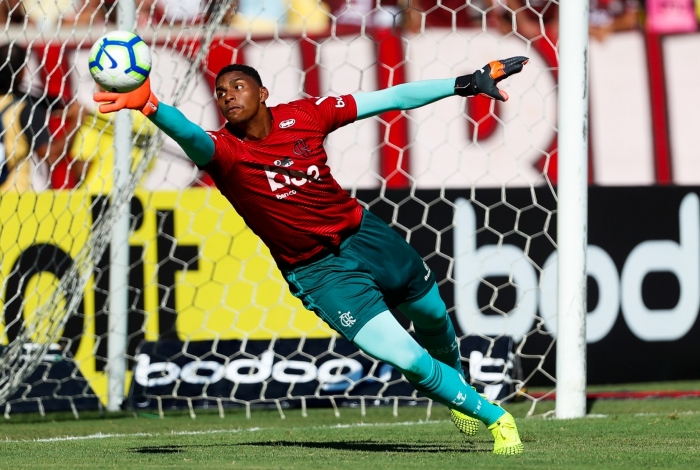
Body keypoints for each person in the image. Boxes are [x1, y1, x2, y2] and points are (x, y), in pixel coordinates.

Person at [93, 55, 529, 455]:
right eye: (221, 92)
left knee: (434, 318)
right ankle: (495, 417)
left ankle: (459, 392)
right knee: (408, 357)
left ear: (263, 94)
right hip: (320, 272)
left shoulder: (305, 115)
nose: (228, 97)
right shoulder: (224, 153)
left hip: (366, 235)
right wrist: (151, 106)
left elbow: (388, 97)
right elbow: (188, 132)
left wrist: (467, 82)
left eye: (238, 86)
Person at [0, 43, 81, 193]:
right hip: (14, 197)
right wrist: (77, 121)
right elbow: (52, 156)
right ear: (22, 71)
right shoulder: (23, 109)